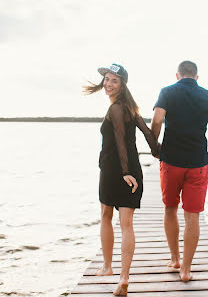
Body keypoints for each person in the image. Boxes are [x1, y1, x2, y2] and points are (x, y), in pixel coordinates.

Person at [83, 63, 159, 296]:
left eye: (113, 80)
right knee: (127, 225)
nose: (108, 84)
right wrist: (159, 153)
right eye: (106, 79)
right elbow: (148, 134)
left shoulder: (116, 108)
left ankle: (108, 267)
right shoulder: (131, 108)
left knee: (107, 216)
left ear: (122, 84)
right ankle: (123, 278)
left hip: (115, 171)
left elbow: (118, 140)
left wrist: (124, 172)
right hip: (133, 170)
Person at [151, 60, 208, 282]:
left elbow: (156, 120)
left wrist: (155, 147)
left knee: (170, 208)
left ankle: (175, 259)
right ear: (197, 77)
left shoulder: (167, 92)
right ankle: (186, 270)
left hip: (171, 161)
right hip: (198, 163)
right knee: (193, 217)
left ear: (177, 75)